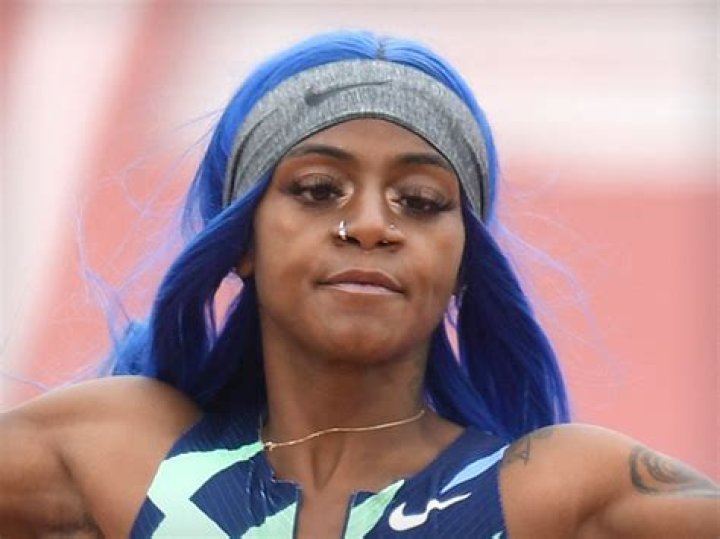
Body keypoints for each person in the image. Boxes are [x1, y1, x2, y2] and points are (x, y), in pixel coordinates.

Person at [0, 30, 717, 539]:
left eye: (421, 201)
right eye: (318, 189)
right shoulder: (116, 454)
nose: (371, 225)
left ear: (465, 263)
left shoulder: (553, 490)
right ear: (241, 240)